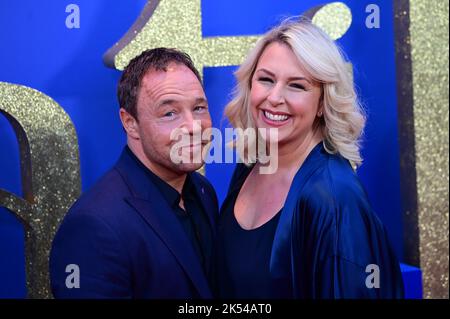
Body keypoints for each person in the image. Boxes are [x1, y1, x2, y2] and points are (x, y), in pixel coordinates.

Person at [216, 18, 404, 298]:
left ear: (321, 103)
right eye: (266, 79)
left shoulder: (335, 198)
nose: (275, 97)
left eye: (297, 86)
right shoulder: (250, 165)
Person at [50, 48, 218, 298]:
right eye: (169, 113)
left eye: (199, 108)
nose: (194, 127)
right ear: (130, 123)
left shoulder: (203, 192)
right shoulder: (95, 226)